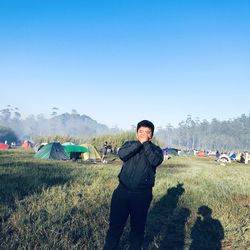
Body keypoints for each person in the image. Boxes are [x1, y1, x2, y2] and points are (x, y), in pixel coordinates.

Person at [103, 120, 163, 250]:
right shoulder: (128, 144)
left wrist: (145, 144)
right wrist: (139, 144)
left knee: (137, 229)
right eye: (141, 132)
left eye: (147, 132)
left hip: (142, 195)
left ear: (151, 136)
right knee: (115, 228)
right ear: (136, 134)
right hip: (122, 192)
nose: (143, 134)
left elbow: (155, 161)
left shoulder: (156, 150)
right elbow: (122, 155)